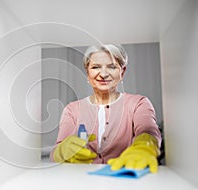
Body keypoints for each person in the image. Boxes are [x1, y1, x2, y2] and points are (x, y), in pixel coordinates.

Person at [50, 44, 162, 173]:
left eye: (112, 67)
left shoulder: (138, 103)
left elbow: (148, 131)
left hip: (124, 179)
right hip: (80, 181)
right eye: (95, 67)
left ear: (122, 72)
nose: (103, 74)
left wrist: (145, 146)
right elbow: (55, 153)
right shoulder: (71, 110)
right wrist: (61, 151)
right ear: (87, 73)